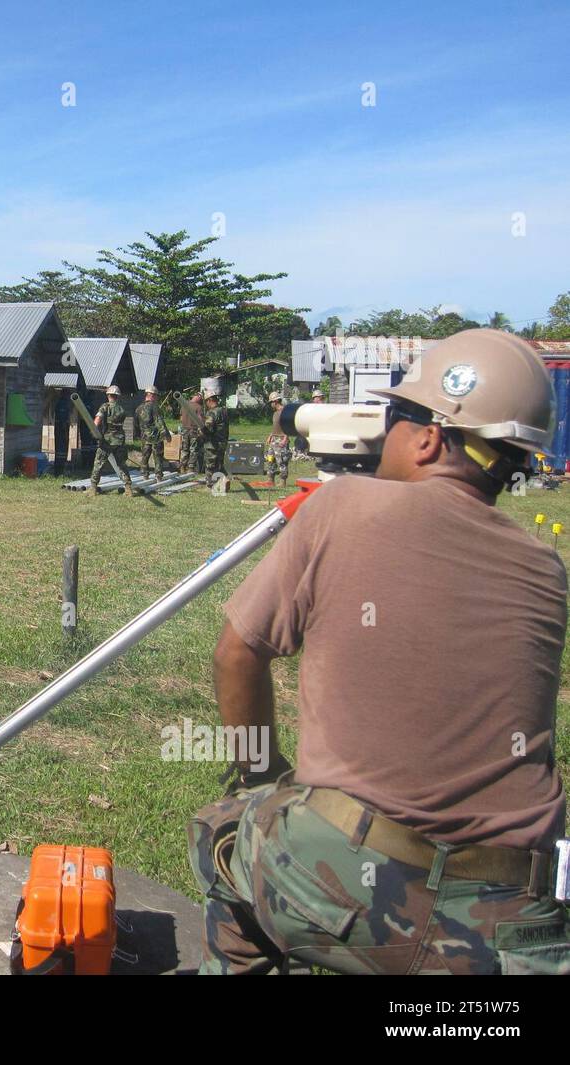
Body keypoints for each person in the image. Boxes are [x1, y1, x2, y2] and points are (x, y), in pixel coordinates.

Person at [188, 329, 570, 974]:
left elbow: (237, 654)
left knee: (224, 831)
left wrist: (259, 776)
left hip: (355, 887)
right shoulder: (547, 569)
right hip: (517, 928)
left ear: (428, 437)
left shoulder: (341, 507)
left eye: (394, 417)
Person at [87, 384, 134, 498]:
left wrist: (93, 430)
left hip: (107, 441)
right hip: (119, 440)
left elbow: (98, 419)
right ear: (117, 396)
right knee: (121, 464)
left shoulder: (105, 407)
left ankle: (93, 489)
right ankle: (128, 488)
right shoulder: (121, 409)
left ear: (108, 395)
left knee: (98, 463)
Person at [135, 387, 171, 479]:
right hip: (156, 437)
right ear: (151, 395)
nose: (157, 398)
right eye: (156, 396)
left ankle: (144, 475)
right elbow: (159, 422)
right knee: (158, 457)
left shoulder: (138, 408)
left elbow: (135, 424)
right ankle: (158, 476)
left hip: (144, 437)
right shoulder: (155, 407)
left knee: (145, 457)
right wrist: (166, 434)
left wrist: (138, 434)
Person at [263, 391, 291, 489]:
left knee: (281, 461)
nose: (271, 404)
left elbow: (289, 427)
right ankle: (270, 479)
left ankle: (282, 481)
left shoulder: (284, 412)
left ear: (275, 401)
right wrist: (270, 436)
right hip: (274, 439)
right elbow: (276, 427)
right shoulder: (275, 413)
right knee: (270, 459)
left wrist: (285, 439)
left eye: (271, 402)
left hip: (281, 439)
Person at [201, 390, 229, 484]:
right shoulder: (224, 411)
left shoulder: (212, 413)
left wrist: (200, 430)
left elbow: (208, 428)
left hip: (212, 443)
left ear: (209, 400)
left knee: (211, 465)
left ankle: (211, 484)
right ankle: (223, 481)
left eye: (206, 401)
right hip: (223, 442)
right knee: (219, 464)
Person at [179, 391, 204, 474]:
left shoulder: (184, 405)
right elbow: (200, 420)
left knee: (184, 449)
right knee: (193, 449)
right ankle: (191, 467)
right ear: (199, 397)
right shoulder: (198, 407)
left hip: (184, 430)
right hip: (194, 430)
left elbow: (181, 419)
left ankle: (182, 467)